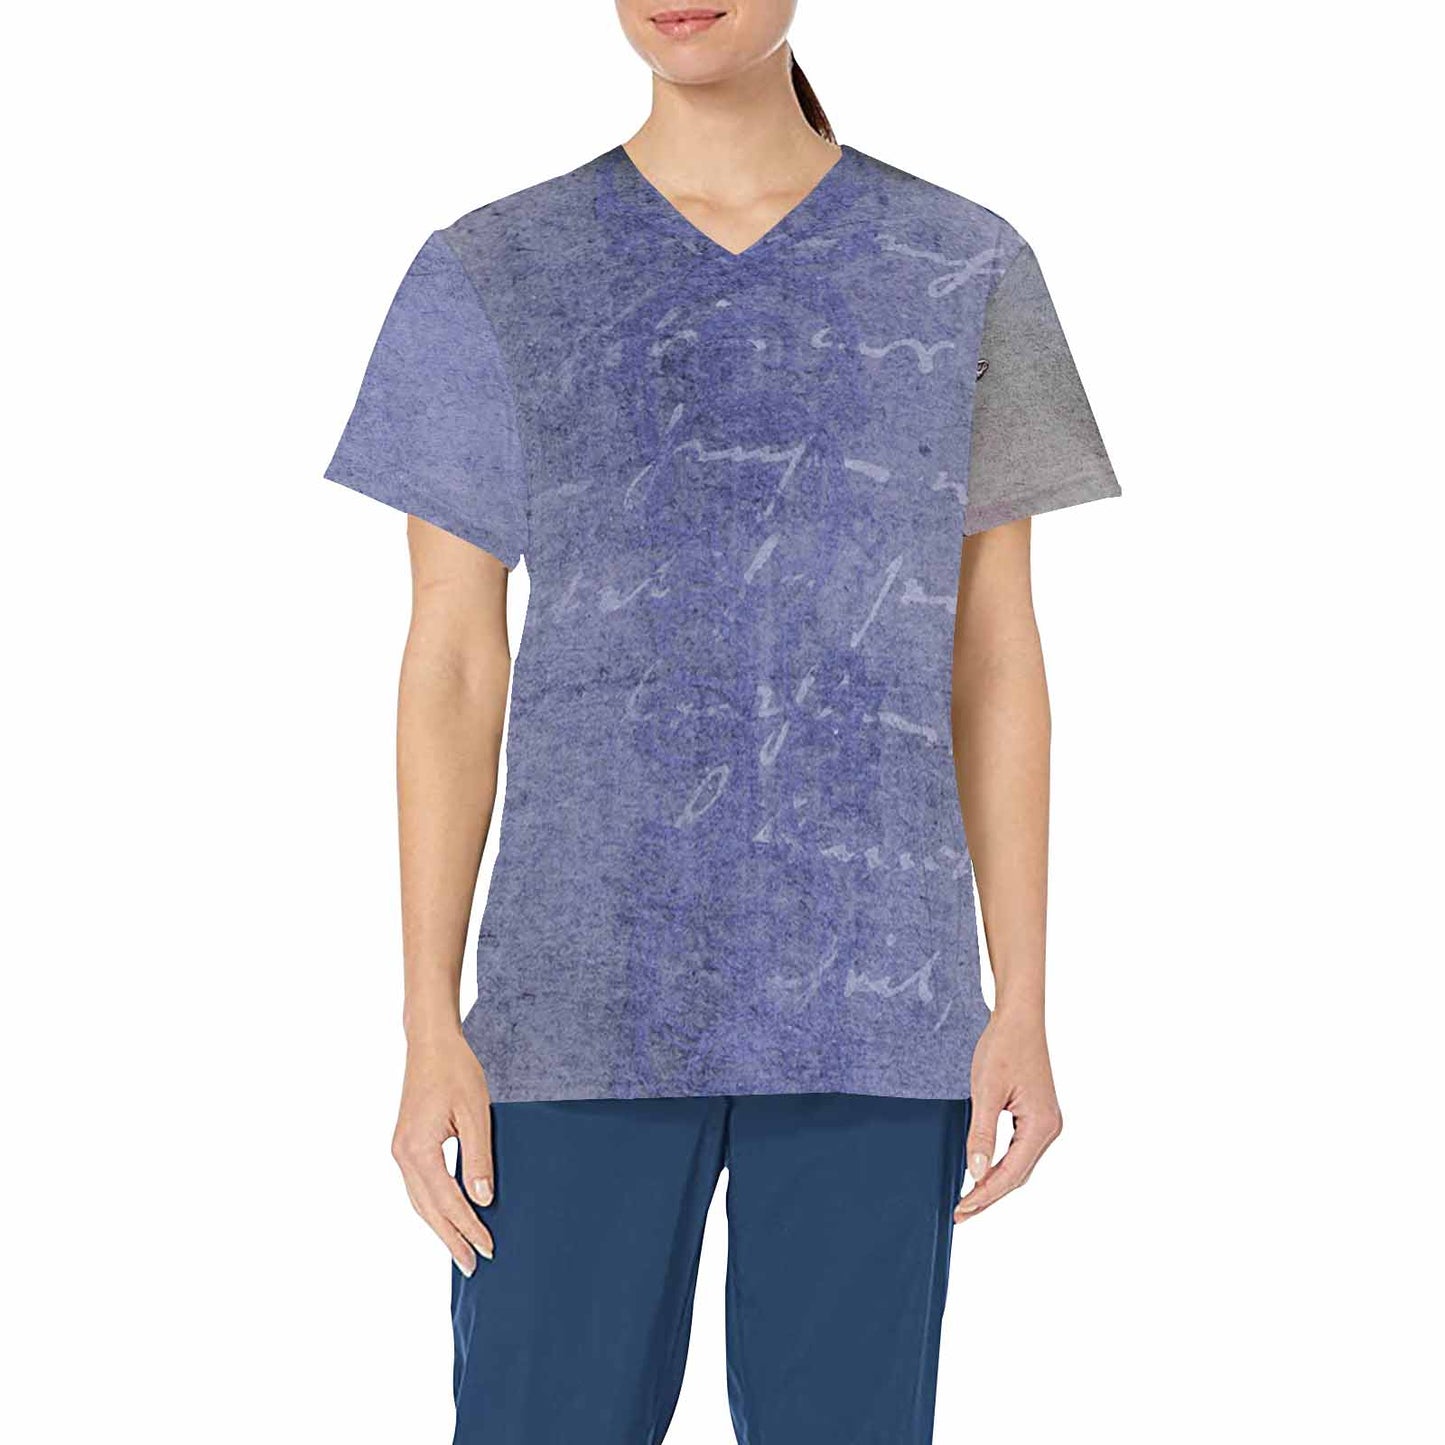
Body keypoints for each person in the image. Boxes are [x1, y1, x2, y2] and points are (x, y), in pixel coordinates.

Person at [324, 2, 1120, 1440]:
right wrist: (429, 1019)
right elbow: (450, 660)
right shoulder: (496, 269)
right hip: (575, 1002)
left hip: (877, 1001)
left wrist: (1021, 998)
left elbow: (993, 653)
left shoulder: (960, 265)